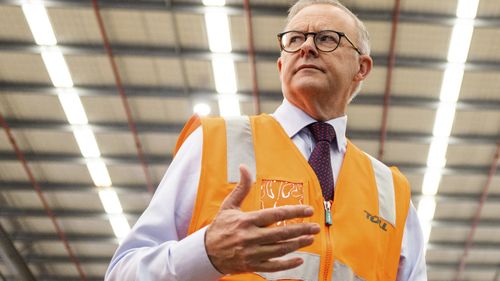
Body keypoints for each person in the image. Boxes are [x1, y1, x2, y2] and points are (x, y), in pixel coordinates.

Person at [105, 0, 427, 280]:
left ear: (362, 68)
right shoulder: (214, 142)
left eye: (327, 38)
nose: (307, 47)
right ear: (281, 64)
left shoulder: (392, 194)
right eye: (295, 39)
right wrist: (205, 254)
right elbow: (123, 272)